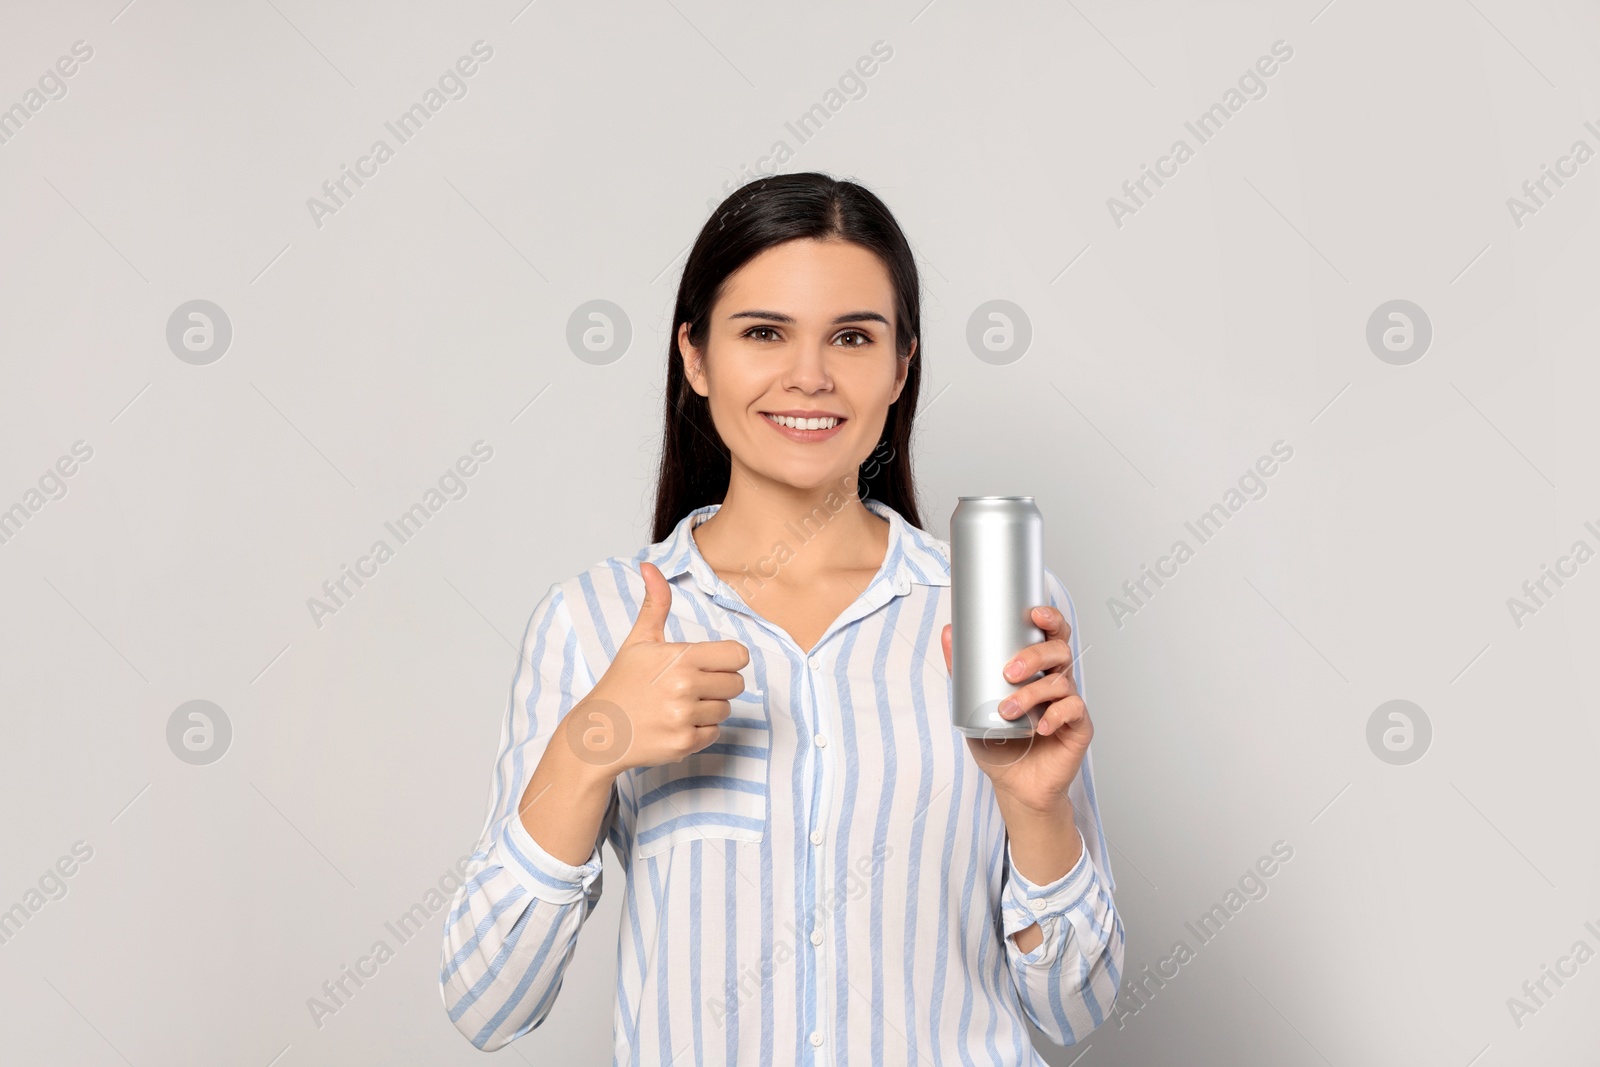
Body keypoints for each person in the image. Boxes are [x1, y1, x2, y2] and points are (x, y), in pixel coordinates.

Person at [439, 172, 1124, 1063]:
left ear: (900, 366)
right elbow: (486, 1006)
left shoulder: (997, 614)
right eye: (764, 332)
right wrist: (586, 747)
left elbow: (1079, 1008)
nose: (810, 375)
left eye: (852, 336)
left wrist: (1037, 811)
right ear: (695, 356)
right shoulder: (596, 621)